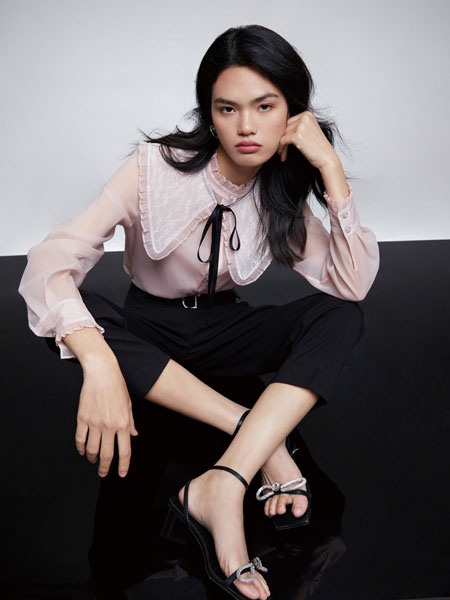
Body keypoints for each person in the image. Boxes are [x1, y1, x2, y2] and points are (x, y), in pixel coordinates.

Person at [18, 23, 379, 600]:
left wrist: (330, 170)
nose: (246, 126)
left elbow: (351, 283)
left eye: (265, 106)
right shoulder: (154, 169)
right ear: (209, 114)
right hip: (147, 330)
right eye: (227, 108)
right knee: (78, 314)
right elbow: (49, 261)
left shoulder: (281, 186)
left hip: (223, 328)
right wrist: (99, 362)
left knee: (339, 316)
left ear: (292, 113)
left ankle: (223, 481)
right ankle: (259, 435)